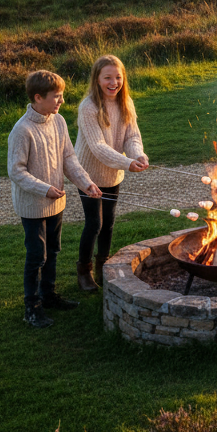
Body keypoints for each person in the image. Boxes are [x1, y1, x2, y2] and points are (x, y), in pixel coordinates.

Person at [7, 70, 102, 328]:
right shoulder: (22, 130)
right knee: (37, 255)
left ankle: (48, 296)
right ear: (38, 98)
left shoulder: (58, 122)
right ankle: (32, 307)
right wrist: (45, 189)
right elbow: (16, 171)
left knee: (54, 251)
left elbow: (69, 159)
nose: (61, 101)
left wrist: (86, 183)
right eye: (56, 96)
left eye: (62, 95)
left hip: (55, 203)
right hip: (34, 205)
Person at [74, 54, 149, 292]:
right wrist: (127, 163)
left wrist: (137, 155)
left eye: (118, 77)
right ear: (97, 79)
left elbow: (132, 136)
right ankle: (84, 272)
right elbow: (97, 147)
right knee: (94, 223)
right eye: (107, 77)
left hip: (113, 173)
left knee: (108, 224)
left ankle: (104, 266)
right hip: (87, 174)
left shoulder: (125, 102)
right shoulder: (88, 108)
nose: (113, 82)